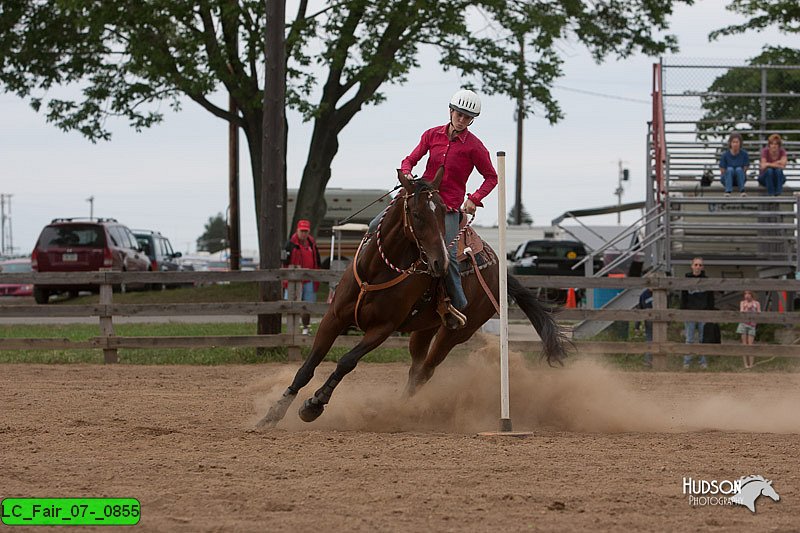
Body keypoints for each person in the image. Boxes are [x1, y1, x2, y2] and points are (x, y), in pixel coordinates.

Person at [398, 89, 498, 330]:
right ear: (451, 110)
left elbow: (491, 177)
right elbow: (410, 159)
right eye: (459, 114)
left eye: (467, 117)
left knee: (449, 255)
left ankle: (459, 304)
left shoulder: (475, 147)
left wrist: (474, 198)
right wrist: (407, 171)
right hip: (422, 199)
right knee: (376, 226)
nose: (462, 120)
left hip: (449, 208)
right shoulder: (431, 135)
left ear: (472, 120)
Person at [283, 219, 321, 335]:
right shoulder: (290, 244)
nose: (303, 234)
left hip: (309, 279)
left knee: (307, 305)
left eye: (306, 231)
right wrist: (285, 280)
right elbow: (284, 262)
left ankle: (305, 328)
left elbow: (317, 261)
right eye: (302, 231)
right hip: (294, 279)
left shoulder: (312, 244)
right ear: (297, 230)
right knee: (293, 304)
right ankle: (292, 329)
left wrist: (317, 276)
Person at [680, 257, 714, 370]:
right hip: (690, 311)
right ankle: (687, 362)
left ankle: (702, 361)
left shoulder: (706, 280)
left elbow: (710, 297)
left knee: (702, 338)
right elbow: (683, 297)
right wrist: (683, 310)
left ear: (702, 267)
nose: (698, 267)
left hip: (703, 311)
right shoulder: (686, 279)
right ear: (692, 266)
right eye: (696, 265)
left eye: (700, 265)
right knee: (689, 338)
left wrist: (709, 310)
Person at [719, 132, 749, 197]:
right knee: (730, 169)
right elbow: (722, 170)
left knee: (738, 169)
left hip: (739, 178)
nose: (735, 144)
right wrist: (730, 174)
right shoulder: (725, 155)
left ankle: (742, 190)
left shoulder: (744, 154)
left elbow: (745, 169)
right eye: (733, 142)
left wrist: (737, 173)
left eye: (737, 142)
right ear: (730, 143)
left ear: (740, 143)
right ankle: (728, 191)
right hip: (727, 178)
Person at [737, 290, 761, 369]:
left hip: (752, 324)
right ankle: (745, 364)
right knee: (744, 344)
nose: (747, 295)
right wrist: (746, 308)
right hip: (743, 324)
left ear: (752, 295)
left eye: (748, 294)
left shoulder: (756, 303)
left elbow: (759, 313)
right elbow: (741, 312)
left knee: (751, 344)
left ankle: (751, 364)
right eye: (745, 294)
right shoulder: (742, 303)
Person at [637, 288, 653, 368]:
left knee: (660, 340)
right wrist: (637, 325)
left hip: (660, 321)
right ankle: (648, 361)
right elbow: (640, 309)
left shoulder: (662, 293)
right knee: (649, 340)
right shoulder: (644, 295)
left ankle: (658, 361)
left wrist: (668, 322)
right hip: (649, 321)